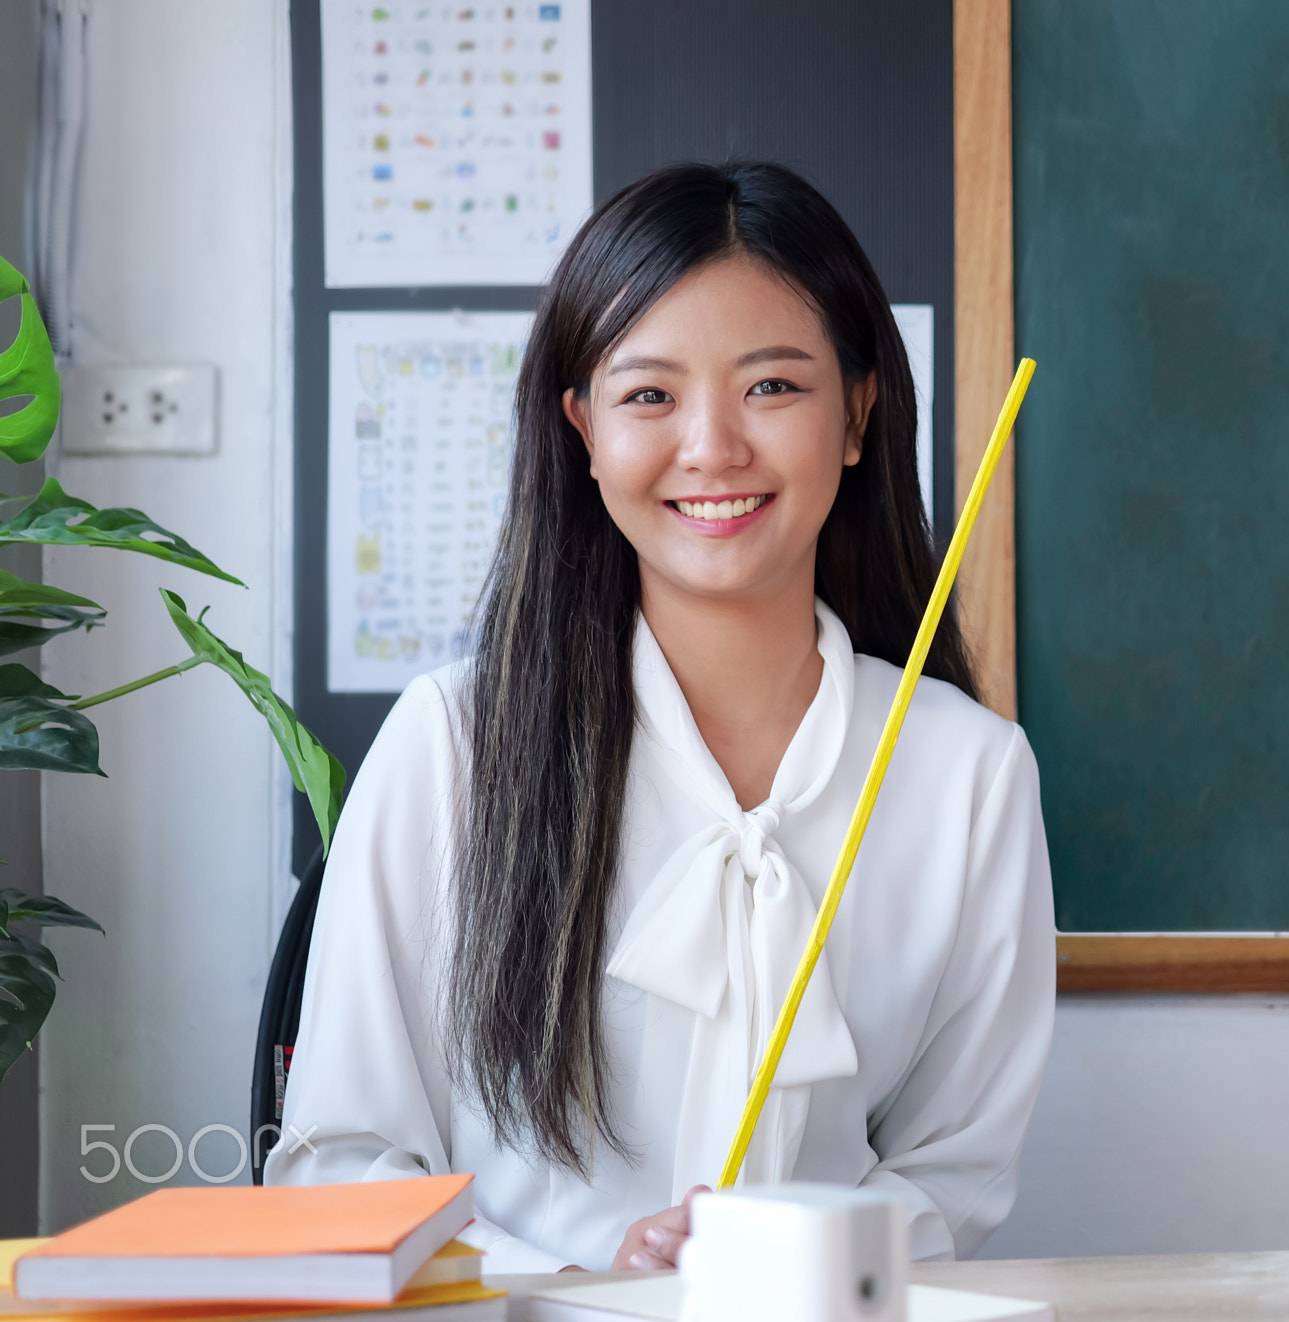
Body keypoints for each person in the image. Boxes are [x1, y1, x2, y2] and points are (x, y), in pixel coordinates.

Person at [267, 162, 1056, 1272]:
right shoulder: (453, 744)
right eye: (649, 395)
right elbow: (339, 1164)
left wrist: (788, 1256)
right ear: (582, 430)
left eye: (772, 387)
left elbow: (953, 1172)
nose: (713, 448)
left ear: (857, 412)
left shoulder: (968, 771)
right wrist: (574, 1277)